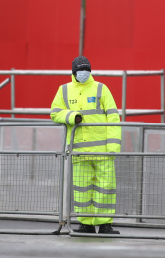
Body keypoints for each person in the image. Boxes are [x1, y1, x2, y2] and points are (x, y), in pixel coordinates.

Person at [50, 56, 121, 235]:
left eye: (87, 70)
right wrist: (72, 117)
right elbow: (55, 112)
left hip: (103, 150)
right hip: (79, 151)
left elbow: (113, 117)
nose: (84, 73)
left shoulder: (101, 88)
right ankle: (86, 224)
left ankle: (105, 225)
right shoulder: (64, 90)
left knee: (105, 187)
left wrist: (113, 147)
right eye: (81, 70)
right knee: (82, 189)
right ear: (74, 72)